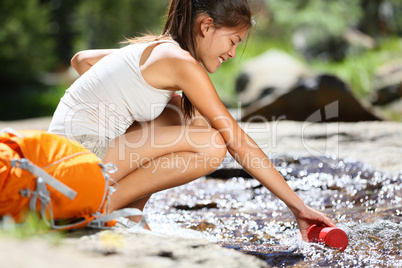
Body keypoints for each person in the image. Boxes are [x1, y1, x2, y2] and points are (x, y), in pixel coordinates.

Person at [48, 0, 335, 238]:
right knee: (211, 144)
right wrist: (298, 207)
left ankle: (131, 214)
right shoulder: (181, 63)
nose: (233, 54)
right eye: (233, 41)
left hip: (62, 165)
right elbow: (236, 141)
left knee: (183, 113)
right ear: (206, 26)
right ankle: (102, 208)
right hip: (77, 171)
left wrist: (117, 102)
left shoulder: (156, 48)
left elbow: (81, 59)